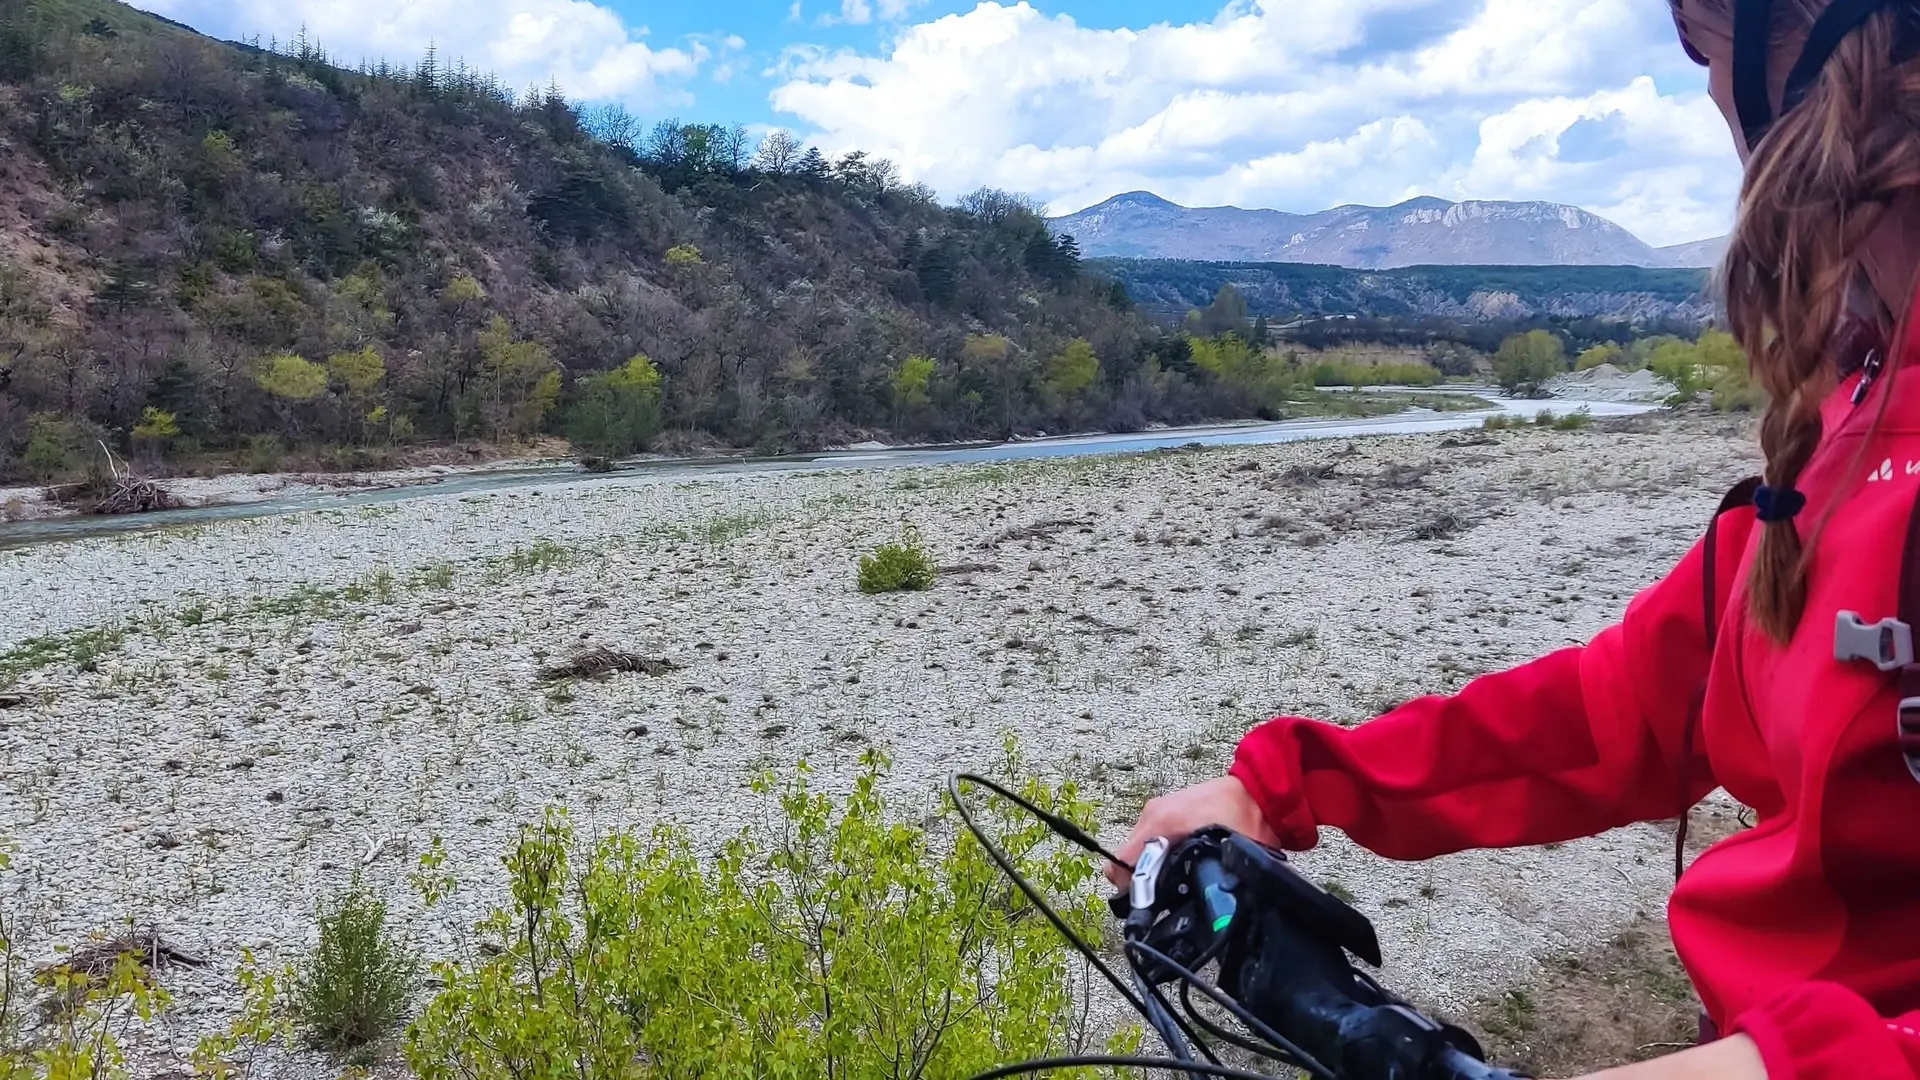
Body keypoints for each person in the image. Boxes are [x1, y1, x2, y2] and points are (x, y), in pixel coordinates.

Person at [1109, 2, 1920, 1078]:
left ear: (1820, 47)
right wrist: (1292, 783)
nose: (1709, 90)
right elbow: (1616, 710)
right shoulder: (1849, 425)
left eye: (1708, 44)